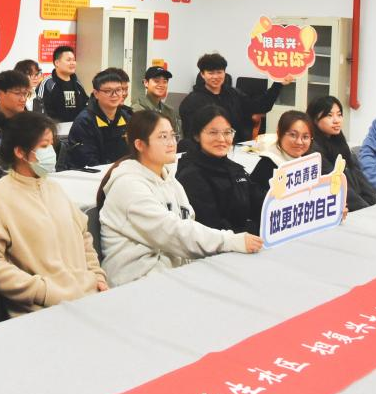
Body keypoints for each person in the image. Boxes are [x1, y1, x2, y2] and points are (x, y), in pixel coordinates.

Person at [97, 110, 261, 287]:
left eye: (172, 136)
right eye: (162, 137)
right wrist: (230, 240)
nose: (171, 143)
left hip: (173, 273)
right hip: (136, 282)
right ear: (140, 145)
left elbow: (188, 224)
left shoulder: (170, 181)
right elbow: (174, 231)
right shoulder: (128, 186)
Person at [0, 112, 107, 315]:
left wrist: (97, 276)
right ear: (20, 152)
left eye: (52, 145)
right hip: (42, 311)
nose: (51, 152)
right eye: (44, 146)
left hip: (88, 297)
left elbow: (84, 238)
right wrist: (41, 291)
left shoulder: (54, 189)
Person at [175, 105, 266, 234]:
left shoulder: (233, 168)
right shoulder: (191, 176)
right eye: (213, 132)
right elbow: (212, 229)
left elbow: (260, 203)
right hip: (220, 243)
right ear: (197, 136)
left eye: (227, 132)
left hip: (245, 239)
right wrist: (256, 229)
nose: (221, 139)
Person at [176, 53, 286, 143]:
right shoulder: (192, 101)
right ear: (202, 74)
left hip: (235, 148)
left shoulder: (233, 94)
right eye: (211, 73)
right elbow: (191, 136)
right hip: (207, 152)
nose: (216, 77)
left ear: (224, 73)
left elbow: (260, 106)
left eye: (219, 72)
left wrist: (278, 84)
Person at [308, 95, 376, 211]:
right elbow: (337, 183)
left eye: (339, 115)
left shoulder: (338, 141)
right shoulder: (313, 149)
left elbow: (359, 176)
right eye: (329, 115)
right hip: (341, 207)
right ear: (314, 118)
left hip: (358, 203)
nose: (336, 120)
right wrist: (366, 209)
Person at [59, 69, 132, 170]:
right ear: (96, 93)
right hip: (90, 174)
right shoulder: (85, 121)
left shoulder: (127, 117)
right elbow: (88, 162)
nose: (114, 95)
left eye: (118, 90)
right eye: (108, 91)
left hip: (121, 172)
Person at [36, 46, 88, 127]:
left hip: (76, 128)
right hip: (55, 129)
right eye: (68, 60)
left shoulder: (77, 83)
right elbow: (40, 111)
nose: (72, 63)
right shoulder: (47, 83)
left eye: (74, 60)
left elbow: (86, 106)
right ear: (57, 63)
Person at [132, 65, 181, 138]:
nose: (161, 85)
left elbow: (175, 136)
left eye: (164, 82)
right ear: (146, 83)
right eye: (156, 81)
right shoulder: (138, 110)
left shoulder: (169, 111)